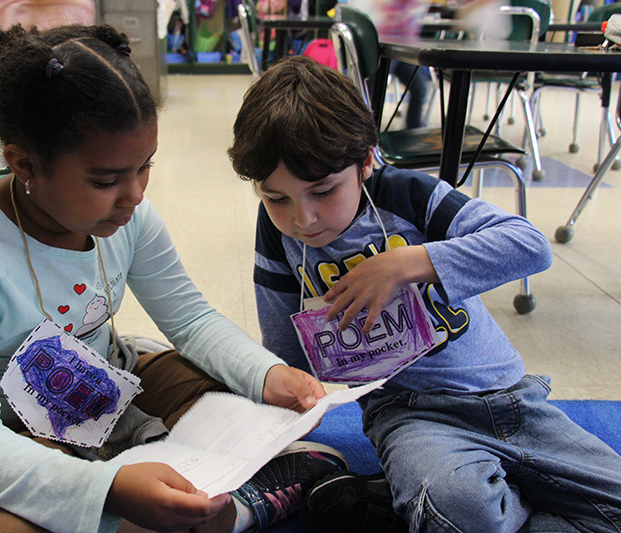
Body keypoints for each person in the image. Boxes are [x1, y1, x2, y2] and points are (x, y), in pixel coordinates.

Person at [0, 24, 350, 533]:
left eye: (145, 168)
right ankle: (216, 509)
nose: (135, 194)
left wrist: (266, 374)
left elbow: (189, 319)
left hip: (100, 381)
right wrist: (110, 490)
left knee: (235, 401)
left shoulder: (129, 217)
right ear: (25, 165)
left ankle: (203, 504)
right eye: (105, 180)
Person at [228, 56, 621, 532]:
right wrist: (289, 388)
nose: (303, 219)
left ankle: (409, 504)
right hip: (412, 416)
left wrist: (406, 264)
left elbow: (529, 246)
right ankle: (451, 504)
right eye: (276, 198)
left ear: (367, 159)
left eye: (324, 190)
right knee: (463, 510)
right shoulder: (279, 237)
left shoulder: (409, 196)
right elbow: (285, 349)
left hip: (511, 398)